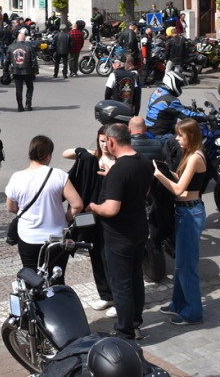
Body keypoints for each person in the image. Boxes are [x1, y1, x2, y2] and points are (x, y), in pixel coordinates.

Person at [89, 123, 153, 342]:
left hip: (119, 236)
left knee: (121, 284)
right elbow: (143, 191)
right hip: (138, 229)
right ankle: (135, 324)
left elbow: (111, 208)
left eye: (106, 141)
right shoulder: (144, 163)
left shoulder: (119, 170)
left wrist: (94, 207)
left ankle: (125, 332)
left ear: (112, 142)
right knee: (136, 278)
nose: (105, 144)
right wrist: (113, 178)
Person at [153, 118, 208, 327]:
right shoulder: (191, 155)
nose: (177, 139)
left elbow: (177, 189)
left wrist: (159, 175)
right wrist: (168, 172)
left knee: (187, 266)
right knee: (180, 264)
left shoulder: (195, 157)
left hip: (190, 213)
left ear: (190, 136)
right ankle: (178, 303)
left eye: (180, 135)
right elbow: (181, 180)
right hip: (186, 211)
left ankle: (193, 313)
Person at [7, 135, 83, 284]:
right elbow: (77, 205)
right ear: (48, 156)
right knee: (56, 278)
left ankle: (33, 306)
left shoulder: (17, 177)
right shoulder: (58, 175)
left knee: (30, 277)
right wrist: (65, 218)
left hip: (28, 237)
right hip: (55, 238)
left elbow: (11, 207)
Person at [62, 129, 113, 309]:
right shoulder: (93, 158)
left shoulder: (117, 161)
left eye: (108, 141)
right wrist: (81, 152)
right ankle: (105, 294)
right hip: (90, 216)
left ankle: (116, 297)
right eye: (101, 141)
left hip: (108, 215)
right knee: (96, 254)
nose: (105, 145)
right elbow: (65, 153)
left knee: (109, 258)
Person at [144, 69, 204, 140]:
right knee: (186, 141)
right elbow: (187, 116)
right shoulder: (171, 100)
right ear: (172, 82)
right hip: (161, 135)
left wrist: (188, 108)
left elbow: (171, 108)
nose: (180, 89)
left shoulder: (158, 92)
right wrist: (206, 117)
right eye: (179, 86)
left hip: (150, 129)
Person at [8, 29, 36, 112]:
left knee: (18, 89)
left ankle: (20, 106)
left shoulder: (11, 47)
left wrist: (6, 71)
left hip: (16, 71)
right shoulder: (29, 47)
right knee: (30, 87)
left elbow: (7, 60)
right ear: (24, 39)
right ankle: (28, 104)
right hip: (27, 71)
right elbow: (33, 60)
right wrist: (35, 70)